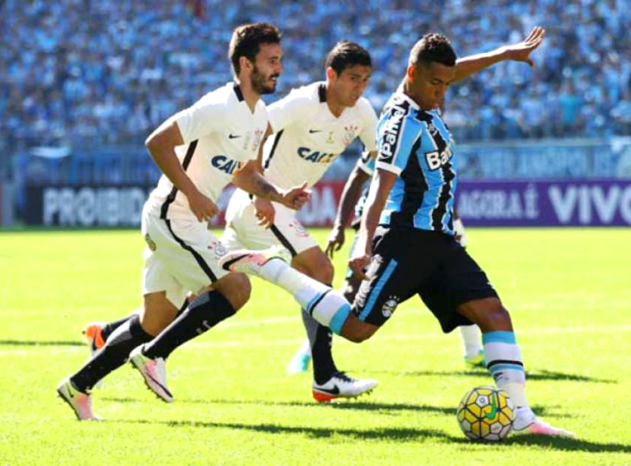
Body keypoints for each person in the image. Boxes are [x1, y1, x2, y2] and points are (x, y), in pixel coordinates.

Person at [213, 27, 575, 437]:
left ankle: (521, 416)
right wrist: (364, 242)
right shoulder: (399, 120)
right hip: (405, 240)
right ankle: (270, 268)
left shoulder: (429, 95)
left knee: (494, 314)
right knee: (355, 329)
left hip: (441, 242)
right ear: (412, 73)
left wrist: (504, 54)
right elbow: (379, 185)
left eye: (445, 82)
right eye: (435, 83)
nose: (442, 91)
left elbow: (456, 71)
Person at [57, 23, 310, 420]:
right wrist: (192, 192)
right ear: (245, 64)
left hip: (181, 220)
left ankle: (78, 386)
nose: (279, 68)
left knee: (154, 320)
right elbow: (157, 141)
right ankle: (155, 356)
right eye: (271, 61)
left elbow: (244, 173)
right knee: (236, 287)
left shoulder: (258, 115)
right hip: (172, 216)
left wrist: (277, 195)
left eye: (280, 60)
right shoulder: (216, 107)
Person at [221, 41, 379, 402]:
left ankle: (116, 336)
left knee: (212, 293)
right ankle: (325, 377)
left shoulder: (363, 113)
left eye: (366, 80)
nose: (360, 87)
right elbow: (257, 129)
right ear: (331, 75)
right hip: (261, 207)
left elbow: (378, 156)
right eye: (353, 78)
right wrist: (261, 192)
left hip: (279, 210)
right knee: (320, 271)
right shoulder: (302, 102)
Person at [316, 150, 485, 370]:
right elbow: (358, 177)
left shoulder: (437, 135)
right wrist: (339, 227)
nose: (439, 113)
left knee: (458, 283)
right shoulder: (388, 137)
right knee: (351, 293)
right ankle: (312, 350)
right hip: (381, 222)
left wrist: (455, 222)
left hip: (423, 228)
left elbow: (440, 188)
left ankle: (473, 350)